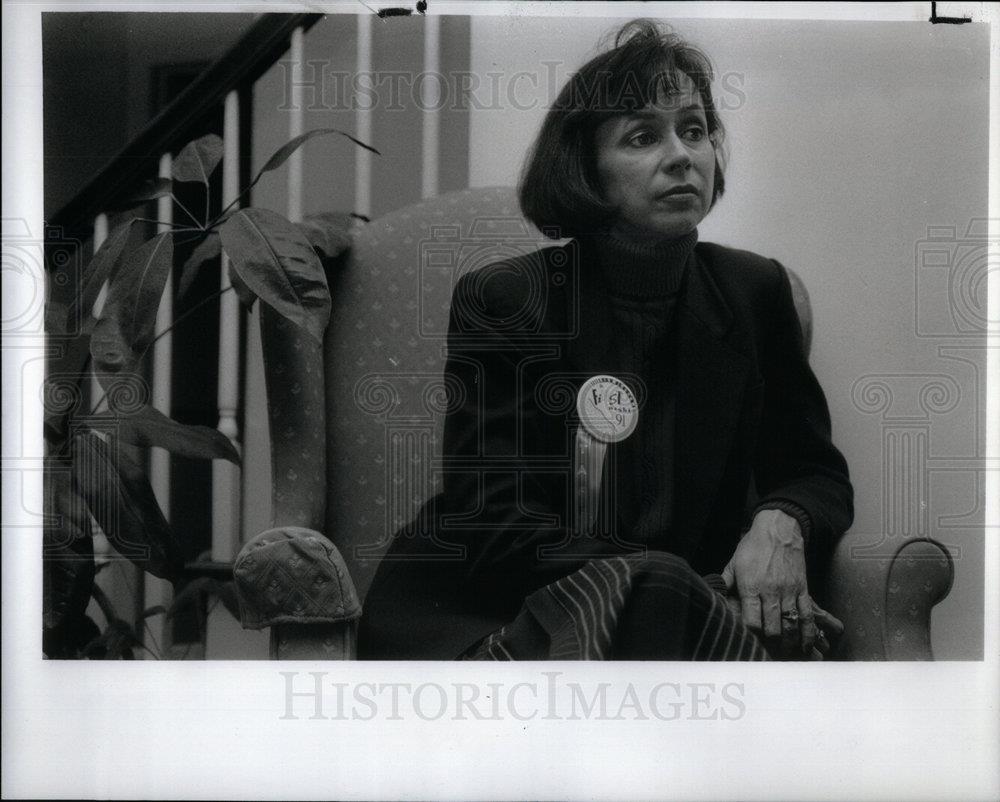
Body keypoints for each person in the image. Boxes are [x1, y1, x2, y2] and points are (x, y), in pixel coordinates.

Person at [358, 19, 853, 661]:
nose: (682, 154)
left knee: (670, 611)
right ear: (586, 170)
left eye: (695, 129)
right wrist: (689, 588)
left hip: (670, 617)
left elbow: (813, 471)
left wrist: (783, 518)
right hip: (490, 607)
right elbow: (495, 521)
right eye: (643, 136)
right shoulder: (507, 300)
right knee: (672, 606)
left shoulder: (755, 292)